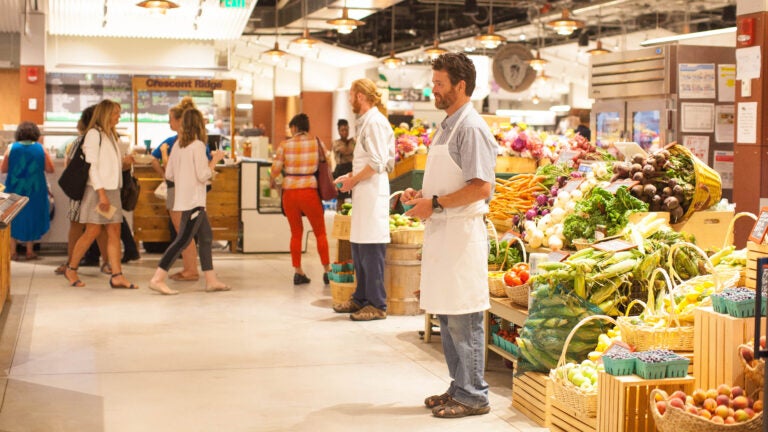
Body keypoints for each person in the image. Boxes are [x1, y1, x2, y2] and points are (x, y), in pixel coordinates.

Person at [401, 52, 496, 418]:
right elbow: (450, 181)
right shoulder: (446, 126)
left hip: (461, 236)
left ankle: (474, 395)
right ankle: (459, 387)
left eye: (439, 84)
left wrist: (436, 203)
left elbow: (481, 187)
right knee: (447, 315)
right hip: (443, 233)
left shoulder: (471, 127)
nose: (434, 90)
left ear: (460, 85)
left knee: (464, 316)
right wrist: (423, 197)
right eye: (433, 83)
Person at [333, 78, 395, 321]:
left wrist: (353, 180)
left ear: (360, 96)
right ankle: (360, 298)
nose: (349, 100)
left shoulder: (375, 122)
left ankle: (377, 304)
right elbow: (367, 161)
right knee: (359, 248)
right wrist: (351, 176)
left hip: (372, 195)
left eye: (350, 95)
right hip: (363, 194)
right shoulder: (367, 122)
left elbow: (378, 163)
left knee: (371, 250)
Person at [149, 107, 228, 295]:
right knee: (182, 240)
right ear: (199, 124)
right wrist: (215, 160)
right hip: (195, 201)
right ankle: (157, 278)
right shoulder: (198, 146)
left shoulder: (177, 145)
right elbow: (203, 175)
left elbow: (169, 174)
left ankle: (211, 280)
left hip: (183, 200)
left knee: (206, 237)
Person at [64, 99, 138, 289]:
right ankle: (71, 269)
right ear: (105, 114)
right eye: (115, 113)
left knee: (114, 231)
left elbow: (108, 165)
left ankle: (117, 275)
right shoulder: (93, 134)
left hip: (111, 190)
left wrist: (124, 163)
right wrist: (102, 194)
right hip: (98, 191)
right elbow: (92, 167)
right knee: (93, 231)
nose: (119, 117)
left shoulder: (110, 135)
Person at [269, 113, 332, 285]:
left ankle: (298, 272)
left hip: (289, 193)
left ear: (295, 127)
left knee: (296, 233)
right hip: (309, 191)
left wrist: (273, 181)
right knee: (320, 232)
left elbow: (275, 170)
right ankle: (327, 271)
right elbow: (328, 162)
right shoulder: (316, 143)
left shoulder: (285, 145)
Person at [150, 97, 205, 281]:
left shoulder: (181, 143)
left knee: (183, 233)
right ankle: (191, 268)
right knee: (188, 233)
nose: (169, 123)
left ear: (181, 120)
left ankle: (191, 269)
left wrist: (164, 158)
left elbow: (169, 171)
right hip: (189, 192)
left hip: (178, 191)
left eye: (171, 119)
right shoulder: (193, 142)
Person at [54, 106, 110, 275]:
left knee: (77, 226)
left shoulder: (79, 140)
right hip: (99, 189)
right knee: (101, 226)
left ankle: (71, 263)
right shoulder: (104, 138)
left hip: (80, 190)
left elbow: (69, 165)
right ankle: (107, 263)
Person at [0, 121, 55, 260]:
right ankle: (30, 251)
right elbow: (50, 169)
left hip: (14, 189)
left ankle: (13, 251)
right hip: (35, 190)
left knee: (12, 218)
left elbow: (3, 169)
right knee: (33, 217)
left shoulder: (11, 148)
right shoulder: (41, 148)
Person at [332, 119, 356, 210]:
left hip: (351, 170)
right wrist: (352, 145)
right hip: (340, 172)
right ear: (338, 131)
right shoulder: (336, 143)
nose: (345, 132)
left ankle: (354, 215)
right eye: (342, 130)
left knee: (354, 196)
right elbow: (346, 151)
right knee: (340, 198)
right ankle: (339, 215)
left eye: (346, 129)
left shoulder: (353, 141)